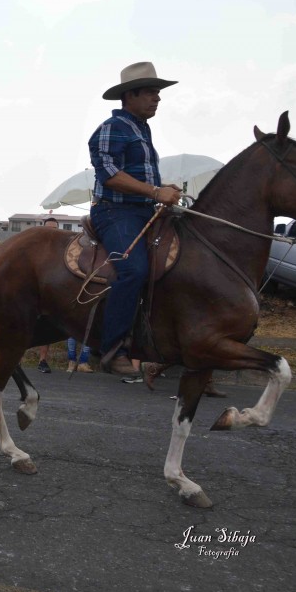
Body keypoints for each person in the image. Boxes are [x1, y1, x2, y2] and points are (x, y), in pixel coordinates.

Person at [88, 62, 183, 376]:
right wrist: (156, 192)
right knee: (133, 269)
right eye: (151, 93)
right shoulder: (111, 128)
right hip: (114, 212)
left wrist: (161, 189)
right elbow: (110, 175)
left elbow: (142, 180)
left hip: (141, 210)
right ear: (129, 95)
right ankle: (111, 349)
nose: (158, 99)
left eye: (158, 93)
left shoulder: (141, 129)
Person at [36, 217, 60, 373]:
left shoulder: (60, 251)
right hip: (32, 295)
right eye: (48, 228)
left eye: (55, 229)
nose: (52, 232)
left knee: (46, 328)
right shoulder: (36, 249)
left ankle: (42, 360)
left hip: (50, 296)